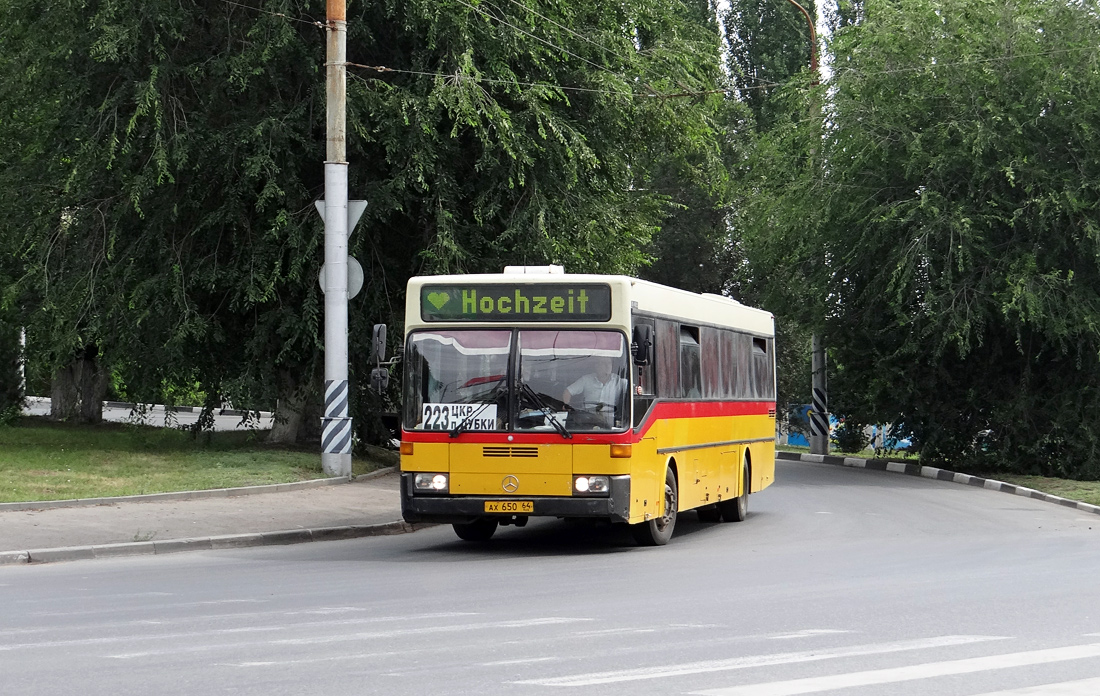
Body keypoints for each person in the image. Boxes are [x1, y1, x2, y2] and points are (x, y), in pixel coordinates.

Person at [562, 357, 628, 424]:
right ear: (597, 366)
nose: (607, 366)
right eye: (604, 363)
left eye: (609, 363)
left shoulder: (618, 381)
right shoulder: (586, 379)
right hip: (588, 419)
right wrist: (567, 406)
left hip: (610, 420)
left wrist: (638, 390)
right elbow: (567, 391)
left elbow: (633, 389)